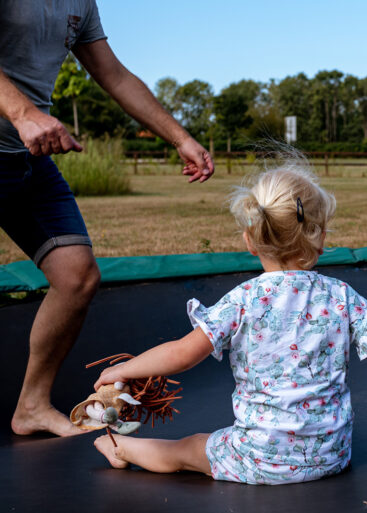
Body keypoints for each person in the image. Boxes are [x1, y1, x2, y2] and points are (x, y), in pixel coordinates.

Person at [92, 164, 367, 484]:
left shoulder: (243, 300)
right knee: (198, 447)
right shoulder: (340, 296)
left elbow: (182, 353)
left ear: (249, 239)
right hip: (332, 457)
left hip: (256, 459)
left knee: (187, 449)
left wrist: (125, 369)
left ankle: (118, 448)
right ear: (321, 236)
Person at [1, 0, 214, 437]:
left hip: (26, 158)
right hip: (22, 131)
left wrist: (180, 137)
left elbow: (113, 74)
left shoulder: (82, 2)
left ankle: (32, 406)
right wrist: (24, 113)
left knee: (76, 276)